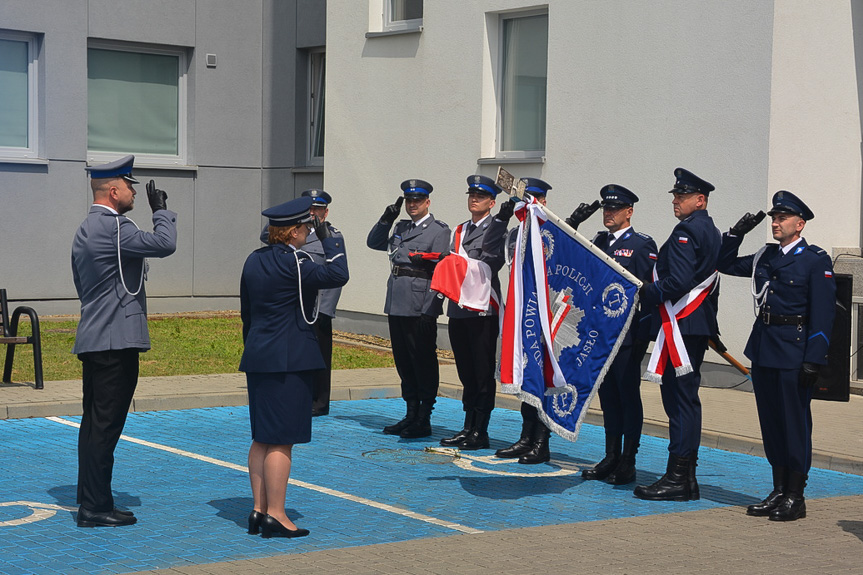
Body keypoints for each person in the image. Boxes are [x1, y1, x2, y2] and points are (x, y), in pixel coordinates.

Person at [71, 155, 177, 527]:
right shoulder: (115, 228)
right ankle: (95, 508)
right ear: (113, 190)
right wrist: (161, 210)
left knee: (94, 424)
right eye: (129, 185)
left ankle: (94, 499)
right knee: (105, 426)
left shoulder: (87, 227)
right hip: (115, 341)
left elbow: (83, 287)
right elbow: (165, 244)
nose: (134, 191)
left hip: (96, 336)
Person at [718, 191, 835, 521]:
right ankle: (778, 488)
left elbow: (824, 314)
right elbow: (724, 264)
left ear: (799, 224)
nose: (775, 223)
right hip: (765, 348)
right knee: (771, 424)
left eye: (782, 218)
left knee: (794, 425)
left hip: (794, 352)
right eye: (773, 218)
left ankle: (796, 495)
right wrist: (735, 233)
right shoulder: (764, 256)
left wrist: (814, 357)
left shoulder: (814, 259)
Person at [240, 196, 348, 538]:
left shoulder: (253, 261)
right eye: (305, 228)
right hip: (290, 359)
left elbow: (247, 312)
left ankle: (258, 510)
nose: (307, 233)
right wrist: (331, 237)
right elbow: (338, 273)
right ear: (294, 232)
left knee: (261, 437)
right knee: (281, 441)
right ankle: (276, 514)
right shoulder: (297, 263)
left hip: (259, 355)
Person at [633, 168, 721, 502]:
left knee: (680, 401)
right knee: (684, 399)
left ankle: (679, 477)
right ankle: (686, 477)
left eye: (682, 196)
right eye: (675, 195)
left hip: (682, 322)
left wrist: (647, 292)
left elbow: (680, 281)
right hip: (693, 323)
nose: (675, 201)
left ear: (700, 200)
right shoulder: (710, 230)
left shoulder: (687, 231)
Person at [573, 185, 657, 485]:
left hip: (627, 335)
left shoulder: (642, 245)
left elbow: (648, 291)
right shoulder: (598, 241)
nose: (608, 214)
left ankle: (628, 460)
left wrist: (644, 334)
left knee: (627, 396)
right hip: (600, 333)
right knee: (608, 397)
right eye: (606, 209)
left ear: (629, 212)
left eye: (615, 209)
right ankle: (611, 455)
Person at [367, 180, 450, 438]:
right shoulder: (401, 227)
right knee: (403, 360)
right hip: (397, 302)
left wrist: (432, 308)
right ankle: (410, 413)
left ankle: (424, 416)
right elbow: (374, 242)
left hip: (419, 304)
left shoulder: (439, 231)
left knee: (422, 360)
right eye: (409, 201)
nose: (412, 204)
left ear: (427, 202)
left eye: (418, 200)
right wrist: (386, 219)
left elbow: (442, 272)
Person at [488, 178, 555, 463]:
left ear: (543, 202)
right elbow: (495, 254)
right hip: (520, 315)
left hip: (544, 315)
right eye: (526, 199)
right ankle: (526, 436)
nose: (531, 205)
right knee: (524, 373)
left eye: (536, 199)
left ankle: (542, 440)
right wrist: (502, 218)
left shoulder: (553, 231)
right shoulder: (516, 233)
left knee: (542, 378)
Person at [437, 175, 506, 451]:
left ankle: (481, 429)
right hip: (459, 308)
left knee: (481, 370)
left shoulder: (496, 228)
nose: (473, 199)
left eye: (480, 196)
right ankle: (467, 426)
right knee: (466, 370)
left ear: (492, 202)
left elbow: (493, 261)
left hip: (482, 309)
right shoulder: (459, 230)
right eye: (471, 195)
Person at [298, 190, 344, 416]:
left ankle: (320, 401)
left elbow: (337, 275)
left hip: (318, 307)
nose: (312, 213)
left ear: (325, 212)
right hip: (297, 304)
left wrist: (326, 309)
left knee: (320, 355)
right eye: (309, 208)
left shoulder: (332, 235)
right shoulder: (295, 230)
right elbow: (268, 234)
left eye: (317, 209)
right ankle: (301, 395)